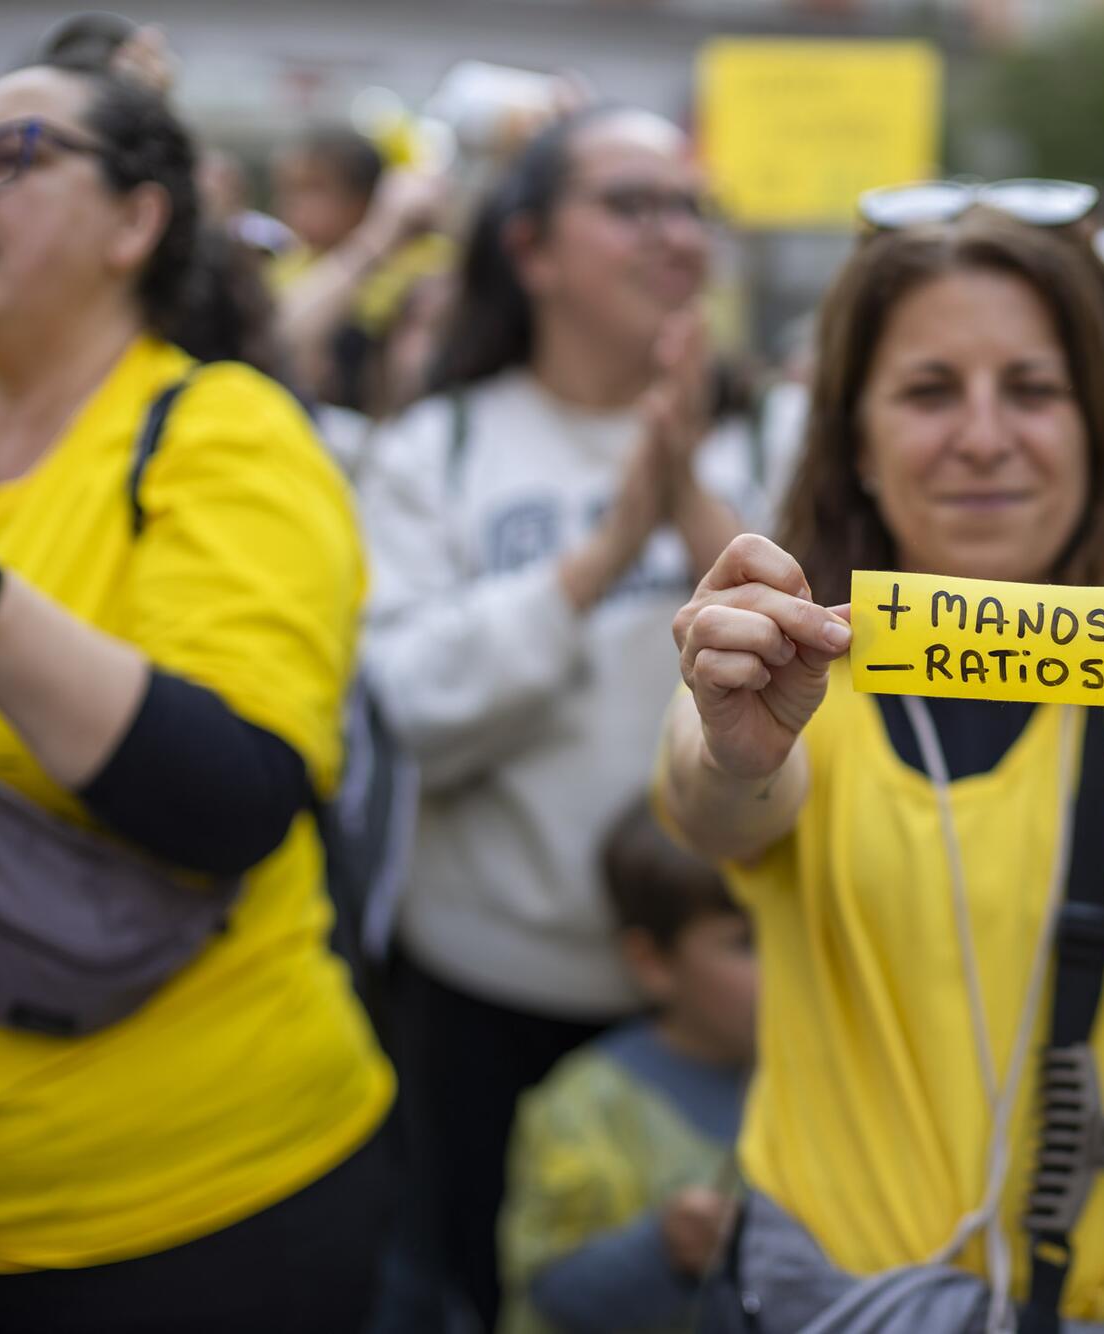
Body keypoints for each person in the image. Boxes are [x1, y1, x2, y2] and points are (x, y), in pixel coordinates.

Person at [659, 195, 1104, 1333]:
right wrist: (735, 744)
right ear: (853, 438)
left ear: (1100, 423)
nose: (980, 435)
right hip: (843, 1290)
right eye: (927, 391)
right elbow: (714, 803)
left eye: (1031, 388)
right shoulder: (781, 664)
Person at [0, 64, 390, 1333]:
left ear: (137, 221)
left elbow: (233, 792)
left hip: (191, 1221)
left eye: (8, 152)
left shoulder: (218, 430)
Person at [361, 104, 747, 1332]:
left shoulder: (778, 433)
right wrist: (602, 554)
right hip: (493, 993)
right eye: (630, 203)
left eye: (689, 205)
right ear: (528, 249)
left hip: (732, 1006)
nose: (672, 233)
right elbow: (408, 705)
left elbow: (833, 700)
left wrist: (692, 508)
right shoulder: (440, 448)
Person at [496, 795, 754, 1334]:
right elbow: (551, 1292)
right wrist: (664, 1249)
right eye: (747, 942)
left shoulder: (837, 1083)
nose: (787, 962)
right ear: (652, 962)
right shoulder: (587, 1106)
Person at [268, 125, 454, 417]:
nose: (295, 205)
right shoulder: (291, 267)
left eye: (314, 189)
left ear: (366, 198)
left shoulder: (421, 264)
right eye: (289, 189)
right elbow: (281, 334)